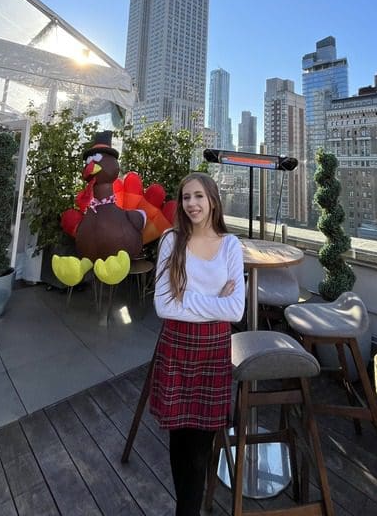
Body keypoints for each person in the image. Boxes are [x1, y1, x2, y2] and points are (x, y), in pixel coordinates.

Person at [150, 172, 245, 516]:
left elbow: (235, 310)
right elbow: (163, 306)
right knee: (180, 436)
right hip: (177, 347)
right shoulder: (170, 241)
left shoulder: (231, 246)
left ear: (213, 201)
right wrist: (212, 301)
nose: (192, 203)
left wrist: (187, 299)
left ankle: (188, 508)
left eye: (199, 196)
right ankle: (186, 509)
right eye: (186, 197)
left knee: (202, 440)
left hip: (213, 350)